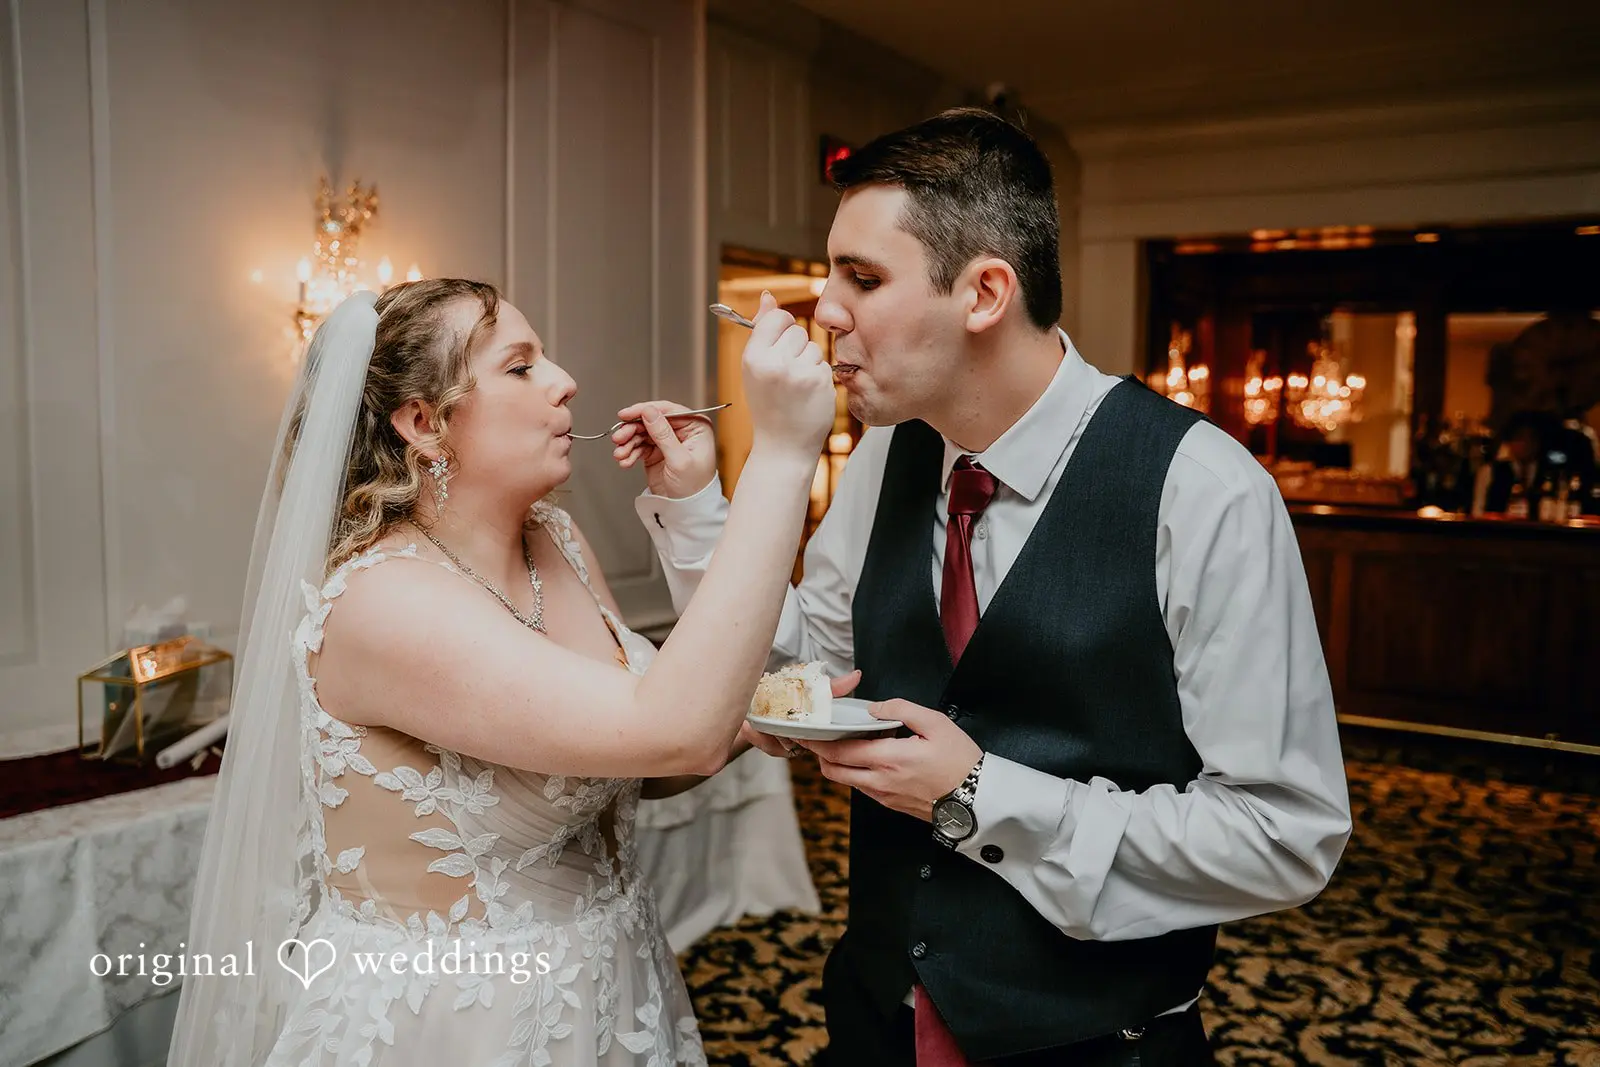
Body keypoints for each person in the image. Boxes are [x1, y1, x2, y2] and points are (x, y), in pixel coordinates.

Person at [616, 108, 1353, 1066]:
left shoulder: (1202, 490)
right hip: (876, 1019)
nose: (821, 310)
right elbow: (807, 683)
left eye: (862, 278)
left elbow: (1285, 831)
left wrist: (976, 794)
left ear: (985, 292)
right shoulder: (886, 457)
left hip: (1095, 1045)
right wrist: (696, 508)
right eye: (829, 272)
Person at [168, 278, 843, 1066]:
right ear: (424, 423)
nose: (565, 381)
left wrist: (754, 721)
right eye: (521, 366)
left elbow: (632, 762)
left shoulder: (554, 538)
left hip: (614, 983)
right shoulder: (385, 602)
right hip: (459, 1020)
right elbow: (672, 734)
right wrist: (785, 453)